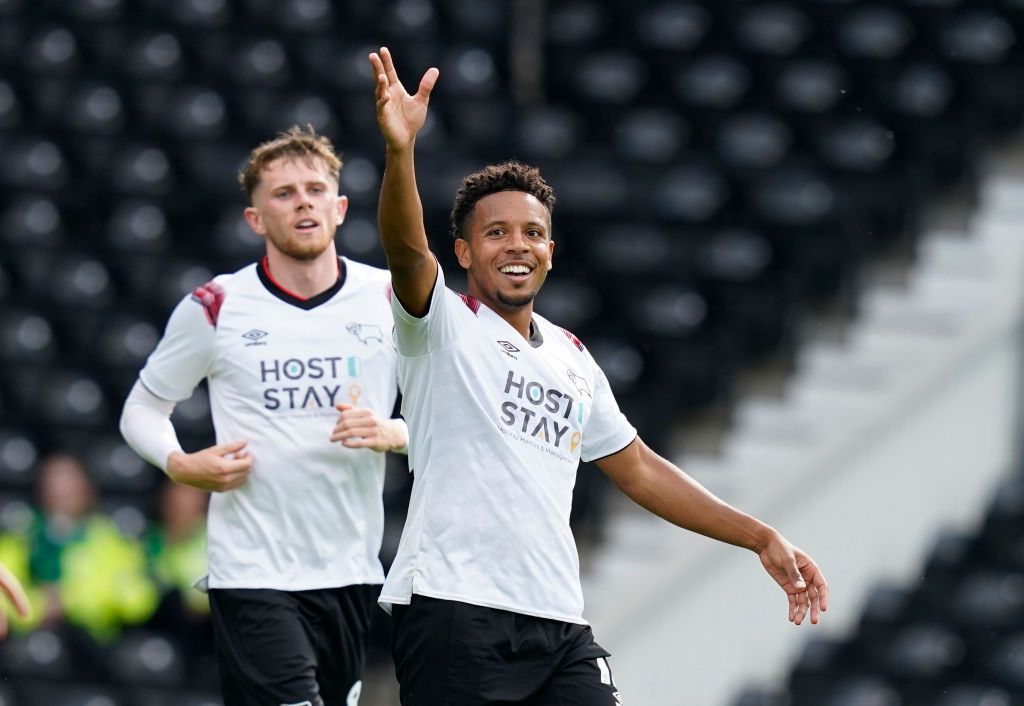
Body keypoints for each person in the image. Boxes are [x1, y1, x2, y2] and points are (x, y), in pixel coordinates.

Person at [367, 46, 829, 705]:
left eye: (532, 232)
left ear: (551, 251)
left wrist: (758, 535)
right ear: (465, 251)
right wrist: (399, 151)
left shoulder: (572, 357)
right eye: (495, 232)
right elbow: (406, 248)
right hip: (454, 609)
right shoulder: (440, 324)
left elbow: (638, 468)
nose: (517, 245)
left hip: (557, 621)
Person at [119, 125, 408, 706]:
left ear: (340, 207)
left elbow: (453, 415)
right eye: (283, 193)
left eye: (315, 189)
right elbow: (143, 408)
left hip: (349, 567)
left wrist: (393, 432)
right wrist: (180, 463)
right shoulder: (217, 306)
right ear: (255, 219)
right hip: (252, 569)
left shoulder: (389, 299)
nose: (302, 200)